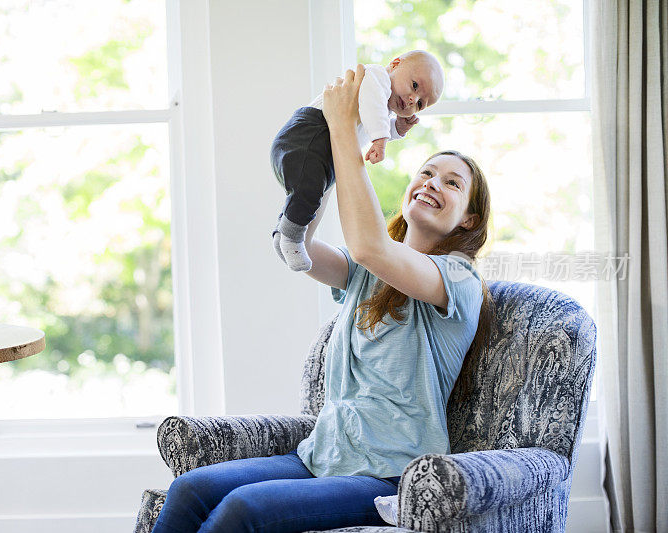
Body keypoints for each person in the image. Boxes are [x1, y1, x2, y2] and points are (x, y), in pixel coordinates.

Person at [151, 64, 494, 533]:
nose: (432, 182)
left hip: (388, 471)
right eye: (427, 173)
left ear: (470, 220)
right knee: (189, 489)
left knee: (243, 510)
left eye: (452, 183)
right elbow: (304, 252)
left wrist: (340, 131)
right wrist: (320, 168)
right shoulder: (366, 274)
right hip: (323, 454)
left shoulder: (457, 281)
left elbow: (371, 245)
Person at [271, 50, 445, 272]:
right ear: (395, 64)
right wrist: (380, 140)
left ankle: (285, 232)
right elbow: (373, 109)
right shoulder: (376, 77)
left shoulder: (383, 112)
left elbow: (375, 119)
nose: (413, 99)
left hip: (323, 147)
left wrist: (397, 129)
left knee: (312, 193)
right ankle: (291, 237)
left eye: (420, 104)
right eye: (414, 86)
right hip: (308, 134)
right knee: (309, 189)